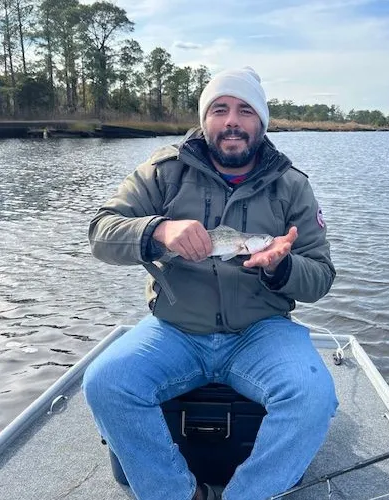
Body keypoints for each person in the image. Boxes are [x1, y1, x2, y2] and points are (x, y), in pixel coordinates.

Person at [83, 67, 338, 500]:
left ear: (261, 122)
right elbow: (100, 233)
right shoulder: (163, 172)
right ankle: (179, 494)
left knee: (313, 394)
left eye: (245, 110)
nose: (232, 121)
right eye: (220, 109)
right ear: (205, 119)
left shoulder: (292, 186)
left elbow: (321, 277)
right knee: (105, 381)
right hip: (175, 328)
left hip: (262, 331)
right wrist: (156, 232)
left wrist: (280, 269)